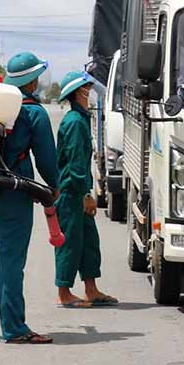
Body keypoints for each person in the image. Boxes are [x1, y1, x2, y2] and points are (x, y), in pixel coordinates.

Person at [0, 52, 58, 344]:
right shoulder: (33, 112)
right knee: (11, 261)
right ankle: (15, 328)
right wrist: (53, 187)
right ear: (31, 80)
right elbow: (45, 158)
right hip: (14, 195)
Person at [54, 71, 117, 308]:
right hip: (72, 193)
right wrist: (86, 195)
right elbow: (75, 163)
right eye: (87, 89)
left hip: (78, 191)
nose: (89, 92)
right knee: (69, 242)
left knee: (88, 240)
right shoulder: (74, 123)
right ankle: (64, 292)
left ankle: (91, 289)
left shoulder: (80, 119)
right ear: (78, 92)